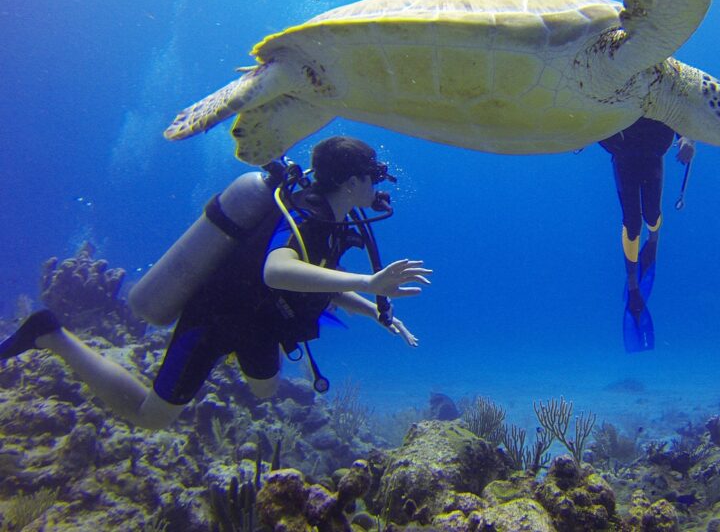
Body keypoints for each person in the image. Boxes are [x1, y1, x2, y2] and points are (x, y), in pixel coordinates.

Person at [0, 136, 431, 429]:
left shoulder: (334, 219)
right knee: (152, 417)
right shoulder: (306, 214)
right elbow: (277, 270)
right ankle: (49, 334)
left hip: (258, 321)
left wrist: (373, 309)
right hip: (217, 319)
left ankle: (236, 361)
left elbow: (320, 280)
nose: (378, 184)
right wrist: (370, 280)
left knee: (266, 392)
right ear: (352, 182)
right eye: (372, 175)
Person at [599, 117, 695, 352]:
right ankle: (632, 287)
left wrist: (686, 140)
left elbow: (678, 106)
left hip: (652, 152)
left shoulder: (663, 83)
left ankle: (654, 240)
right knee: (632, 223)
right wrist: (579, 135)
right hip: (624, 154)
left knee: (651, 215)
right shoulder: (616, 83)